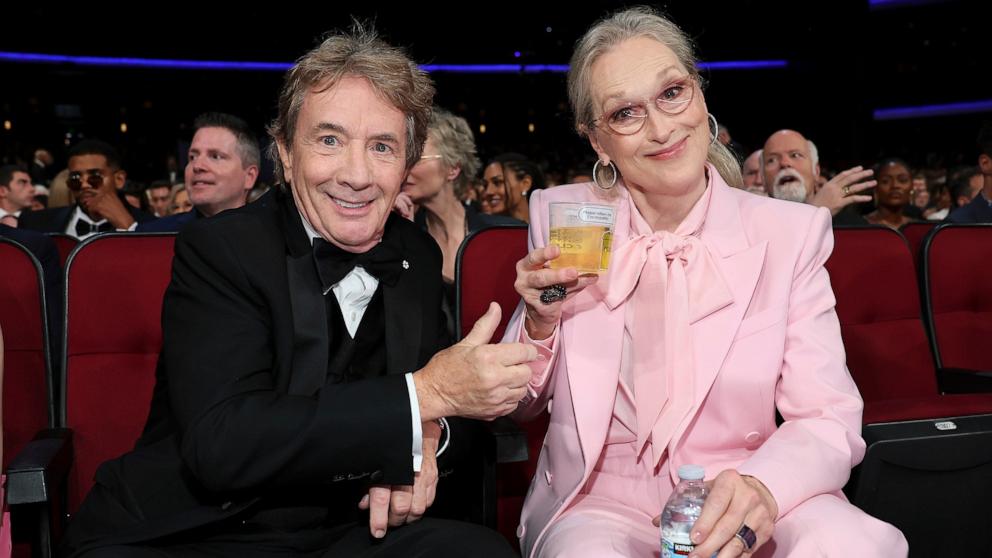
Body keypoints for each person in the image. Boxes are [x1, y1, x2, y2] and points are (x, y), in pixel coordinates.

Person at [61, 24, 530, 557]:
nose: (356, 174)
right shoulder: (220, 249)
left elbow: (453, 411)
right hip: (200, 529)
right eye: (329, 140)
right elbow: (222, 446)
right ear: (284, 151)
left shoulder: (416, 255)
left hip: (350, 528)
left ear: (407, 163)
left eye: (382, 146)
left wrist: (426, 440)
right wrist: (423, 398)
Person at [505, 7, 907, 557]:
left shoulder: (788, 232)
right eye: (626, 112)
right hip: (602, 498)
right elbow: (520, 406)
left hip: (744, 487)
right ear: (597, 140)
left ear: (699, 95)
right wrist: (538, 321)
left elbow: (827, 415)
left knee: (853, 545)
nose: (663, 128)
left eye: (672, 93)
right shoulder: (564, 217)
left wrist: (762, 487)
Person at [138, 112, 260, 232]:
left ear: (249, 176)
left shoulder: (271, 237)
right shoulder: (152, 236)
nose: (197, 166)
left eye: (215, 156)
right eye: (193, 157)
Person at [18, 140, 154, 239]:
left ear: (119, 180)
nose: (84, 185)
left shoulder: (152, 227)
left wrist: (129, 229)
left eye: (95, 176)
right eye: (75, 178)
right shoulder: (35, 223)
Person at [864, 158, 919, 230]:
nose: (895, 185)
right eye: (885, 181)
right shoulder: (861, 226)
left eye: (902, 180)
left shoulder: (918, 227)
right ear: (875, 187)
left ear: (912, 186)